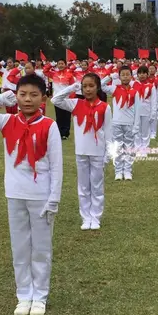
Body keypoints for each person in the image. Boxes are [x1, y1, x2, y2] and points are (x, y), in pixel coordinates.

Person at [0, 74, 63, 315]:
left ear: (43, 98)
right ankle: (24, 295)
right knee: (20, 248)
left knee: (41, 249)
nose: (27, 99)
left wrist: (54, 198)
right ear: (16, 96)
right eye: (22, 94)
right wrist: (0, 97)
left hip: (41, 196)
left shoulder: (49, 125)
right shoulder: (6, 121)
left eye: (33, 95)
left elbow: (56, 166)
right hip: (15, 194)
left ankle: (40, 295)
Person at [52, 73, 112, 230]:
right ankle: (86, 217)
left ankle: (96, 217)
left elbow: (109, 133)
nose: (87, 89)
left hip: (98, 152)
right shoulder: (75, 104)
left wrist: (108, 154)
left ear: (97, 87)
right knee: (84, 187)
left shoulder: (105, 107)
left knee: (97, 186)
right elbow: (55, 100)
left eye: (91, 86)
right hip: (81, 152)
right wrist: (73, 87)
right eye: (84, 86)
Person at [102, 66, 140, 181]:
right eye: (122, 74)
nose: (125, 77)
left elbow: (138, 110)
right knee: (117, 147)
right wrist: (110, 76)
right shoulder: (115, 89)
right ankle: (118, 171)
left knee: (129, 147)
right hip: (117, 123)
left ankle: (127, 170)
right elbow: (101, 85)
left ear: (131, 76)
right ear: (119, 76)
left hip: (129, 123)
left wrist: (136, 125)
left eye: (127, 74)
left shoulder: (135, 92)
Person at [43, 59, 75, 139]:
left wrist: (71, 98)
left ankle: (65, 134)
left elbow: (73, 87)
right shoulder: (53, 74)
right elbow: (45, 71)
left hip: (66, 99)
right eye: (59, 64)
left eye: (62, 63)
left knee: (66, 116)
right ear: (57, 65)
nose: (60, 65)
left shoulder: (69, 75)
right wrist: (50, 64)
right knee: (59, 116)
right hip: (57, 99)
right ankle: (60, 133)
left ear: (65, 65)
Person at [133, 66, 157, 153]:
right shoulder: (133, 84)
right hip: (135, 112)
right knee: (136, 130)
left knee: (145, 131)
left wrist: (153, 114)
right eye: (140, 73)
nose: (142, 75)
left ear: (147, 74)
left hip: (146, 111)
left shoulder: (151, 86)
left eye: (144, 73)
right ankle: (137, 146)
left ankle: (144, 149)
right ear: (137, 74)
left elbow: (154, 101)